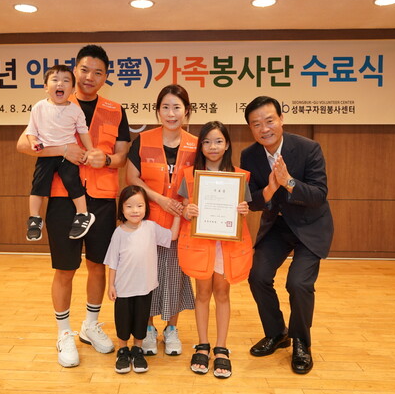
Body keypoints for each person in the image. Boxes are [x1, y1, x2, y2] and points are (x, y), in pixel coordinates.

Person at [17, 45, 131, 368]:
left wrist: (105, 159)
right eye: (84, 70)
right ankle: (64, 332)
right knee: (65, 268)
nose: (90, 77)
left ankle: (90, 326)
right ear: (74, 71)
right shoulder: (54, 103)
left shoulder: (115, 109)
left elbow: (122, 156)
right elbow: (24, 144)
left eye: (98, 72)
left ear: (106, 77)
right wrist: (63, 150)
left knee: (97, 265)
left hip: (102, 197)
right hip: (63, 196)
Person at [240, 96, 333, 376]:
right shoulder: (249, 156)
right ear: (251, 129)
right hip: (277, 225)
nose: (264, 128)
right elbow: (252, 201)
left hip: (310, 225)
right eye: (256, 124)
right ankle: (277, 333)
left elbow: (319, 194)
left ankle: (301, 342)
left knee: (298, 283)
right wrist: (269, 189)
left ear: (281, 119)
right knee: (257, 275)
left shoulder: (308, 148)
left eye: (269, 121)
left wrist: (288, 182)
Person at [177, 121, 253, 379]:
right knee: (202, 294)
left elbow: (244, 210)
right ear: (200, 146)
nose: (213, 147)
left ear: (227, 144)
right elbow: (184, 207)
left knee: (222, 294)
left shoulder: (240, 176)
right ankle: (202, 345)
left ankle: (221, 348)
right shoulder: (190, 175)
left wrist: (244, 209)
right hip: (201, 245)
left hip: (226, 246)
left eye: (218, 141)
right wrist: (187, 210)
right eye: (207, 142)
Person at [125, 84, 197, 356]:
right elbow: (132, 178)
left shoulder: (196, 144)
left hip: (181, 223)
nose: (171, 113)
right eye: (165, 107)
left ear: (186, 111)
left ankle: (172, 329)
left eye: (177, 107)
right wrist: (159, 199)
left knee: (176, 277)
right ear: (157, 111)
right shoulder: (143, 140)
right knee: (147, 276)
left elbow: (202, 181)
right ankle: (148, 328)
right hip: (148, 221)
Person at [105, 185, 179, 374]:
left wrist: (178, 215)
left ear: (146, 207)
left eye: (139, 206)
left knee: (141, 320)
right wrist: (110, 285)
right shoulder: (118, 233)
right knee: (123, 321)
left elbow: (172, 236)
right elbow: (112, 261)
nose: (135, 210)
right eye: (129, 206)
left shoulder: (151, 228)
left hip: (145, 287)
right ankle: (123, 350)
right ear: (122, 209)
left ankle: (137, 350)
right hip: (123, 289)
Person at [24, 64, 95, 241]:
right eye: (55, 80)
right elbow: (31, 130)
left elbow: (83, 131)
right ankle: (34, 218)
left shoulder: (75, 110)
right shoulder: (39, 107)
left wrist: (90, 150)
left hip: (68, 154)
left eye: (66, 81)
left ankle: (83, 214)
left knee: (73, 182)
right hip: (46, 153)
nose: (60, 84)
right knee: (38, 185)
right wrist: (33, 142)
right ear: (45, 87)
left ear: (73, 89)